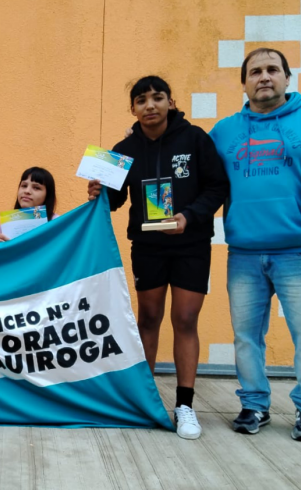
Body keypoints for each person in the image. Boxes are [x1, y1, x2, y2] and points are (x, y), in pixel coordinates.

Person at [209, 48, 301, 442]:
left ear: (287, 77)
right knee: (247, 336)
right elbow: (196, 173)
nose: (263, 77)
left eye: (272, 70)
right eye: (255, 72)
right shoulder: (224, 131)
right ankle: (254, 405)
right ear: (244, 82)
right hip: (244, 254)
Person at [88, 75, 229, 440]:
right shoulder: (123, 149)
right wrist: (99, 191)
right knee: (148, 318)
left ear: (170, 102)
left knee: (184, 319)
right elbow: (115, 203)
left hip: (191, 245)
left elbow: (218, 187)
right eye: (141, 100)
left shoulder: (195, 139)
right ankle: (146, 402)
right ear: (132, 108)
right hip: (148, 247)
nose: (149, 105)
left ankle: (184, 406)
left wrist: (189, 217)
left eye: (157, 98)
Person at [0, 166, 58, 242]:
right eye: (24, 186)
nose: (27, 191)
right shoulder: (7, 223)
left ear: (48, 195)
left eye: (36, 188)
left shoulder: (56, 222)